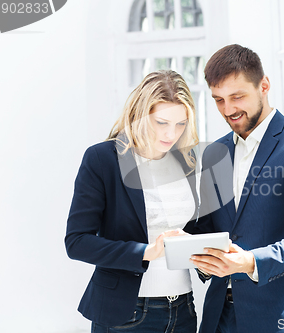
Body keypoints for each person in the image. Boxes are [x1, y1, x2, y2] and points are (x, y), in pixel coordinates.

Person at [190, 44, 284, 333]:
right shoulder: (214, 153)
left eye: (237, 97)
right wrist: (191, 249)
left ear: (264, 85)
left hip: (283, 318)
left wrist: (249, 262)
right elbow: (210, 226)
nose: (228, 109)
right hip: (219, 318)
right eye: (219, 100)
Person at [65, 70, 200, 333]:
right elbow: (77, 242)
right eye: (161, 122)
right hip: (127, 314)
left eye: (181, 124)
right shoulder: (103, 159)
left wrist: (205, 248)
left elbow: (193, 226)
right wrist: (145, 252)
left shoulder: (187, 159)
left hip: (183, 309)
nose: (171, 134)